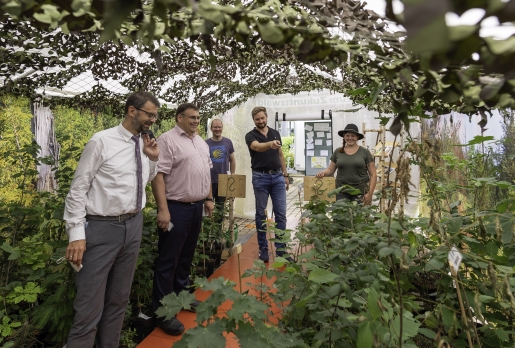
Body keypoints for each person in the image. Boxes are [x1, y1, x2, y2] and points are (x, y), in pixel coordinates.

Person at [63, 92, 160, 348]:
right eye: (149, 114)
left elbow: (145, 180)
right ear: (132, 111)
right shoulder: (102, 141)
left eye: (155, 115)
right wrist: (76, 235)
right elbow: (77, 189)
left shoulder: (144, 142)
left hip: (133, 225)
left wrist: (152, 158)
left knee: (118, 301)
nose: (153, 119)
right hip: (101, 229)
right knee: (88, 308)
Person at [151, 103, 214, 336]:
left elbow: (206, 172)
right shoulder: (167, 140)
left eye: (198, 117)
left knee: (186, 257)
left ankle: (181, 299)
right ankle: (163, 313)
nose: (196, 121)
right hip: (176, 208)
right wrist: (163, 210)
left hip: (197, 207)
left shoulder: (200, 141)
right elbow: (158, 176)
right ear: (179, 117)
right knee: (168, 260)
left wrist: (209, 198)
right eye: (192, 117)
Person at [245, 106, 290, 262]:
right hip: (260, 177)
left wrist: (285, 175)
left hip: (278, 177)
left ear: (266, 117)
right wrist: (270, 144)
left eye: (262, 118)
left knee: (281, 214)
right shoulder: (250, 135)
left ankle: (281, 250)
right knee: (261, 214)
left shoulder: (275, 133)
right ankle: (263, 249)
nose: (260, 121)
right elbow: (256, 147)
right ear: (254, 120)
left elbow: (280, 155)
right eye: (257, 119)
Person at [315, 123, 377, 205]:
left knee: (359, 216)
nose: (350, 138)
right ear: (344, 137)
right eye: (347, 135)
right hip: (341, 191)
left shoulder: (364, 152)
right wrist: (323, 173)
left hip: (360, 191)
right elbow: (331, 169)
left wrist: (370, 193)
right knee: (341, 216)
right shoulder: (338, 152)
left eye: (353, 136)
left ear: (357, 137)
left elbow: (373, 174)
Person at [205, 119, 236, 216]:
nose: (217, 129)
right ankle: (207, 230)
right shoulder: (205, 143)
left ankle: (218, 231)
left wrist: (232, 176)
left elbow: (232, 160)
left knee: (220, 210)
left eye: (219, 127)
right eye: (215, 127)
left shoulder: (228, 142)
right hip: (209, 181)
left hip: (223, 181)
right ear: (211, 128)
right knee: (207, 209)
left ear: (222, 128)